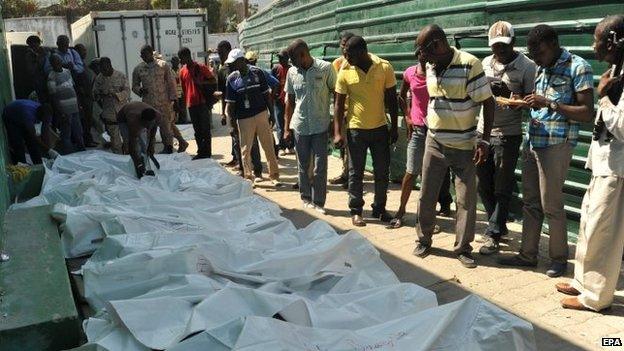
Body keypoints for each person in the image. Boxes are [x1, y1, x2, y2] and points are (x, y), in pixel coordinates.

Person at [498, 25, 595, 278]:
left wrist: (550, 103)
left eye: (539, 53)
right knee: (530, 202)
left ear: (553, 43)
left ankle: (559, 259)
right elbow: (539, 105)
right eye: (532, 54)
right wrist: (522, 102)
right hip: (533, 141)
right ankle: (528, 255)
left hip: (556, 145)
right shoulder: (541, 67)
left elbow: (586, 113)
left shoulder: (578, 66)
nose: (536, 59)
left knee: (551, 204)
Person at [412, 25, 495, 269]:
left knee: (465, 200)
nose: (423, 60)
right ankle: (424, 239)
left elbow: (488, 104)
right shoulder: (430, 63)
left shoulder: (470, 64)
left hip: (464, 145)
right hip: (434, 141)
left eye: (425, 53)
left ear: (438, 45)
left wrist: (484, 140)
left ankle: (463, 248)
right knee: (427, 194)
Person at [557, 15, 624, 311]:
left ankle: (596, 298)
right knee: (588, 225)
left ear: (612, 41)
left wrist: (604, 99)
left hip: (617, 168)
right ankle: (582, 283)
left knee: (603, 234)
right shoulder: (616, 68)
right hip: (603, 163)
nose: (592, 45)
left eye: (596, 39)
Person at [477, 21, 537, 255]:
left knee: (502, 186)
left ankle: (492, 233)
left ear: (513, 42)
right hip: (484, 130)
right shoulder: (485, 63)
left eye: (503, 45)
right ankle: (499, 225)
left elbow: (532, 101)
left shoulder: (527, 66)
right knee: (483, 183)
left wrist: (510, 97)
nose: (499, 50)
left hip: (508, 134)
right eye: (495, 46)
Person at [333, 36, 399, 227]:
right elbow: (338, 105)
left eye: (349, 54)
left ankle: (379, 208)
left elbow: (392, 101)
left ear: (362, 52)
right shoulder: (345, 71)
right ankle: (356, 211)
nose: (345, 57)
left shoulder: (384, 67)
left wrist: (394, 127)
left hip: (380, 129)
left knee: (381, 172)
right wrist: (338, 132)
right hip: (356, 131)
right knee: (356, 173)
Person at [284, 39, 336, 214]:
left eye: (294, 59)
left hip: (321, 126)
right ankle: (306, 198)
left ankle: (319, 202)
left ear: (303, 54)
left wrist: (334, 122)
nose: (292, 64)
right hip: (300, 126)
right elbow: (290, 102)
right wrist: (286, 128)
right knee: (303, 165)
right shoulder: (292, 72)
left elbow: (337, 95)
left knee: (320, 166)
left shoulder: (325, 68)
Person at [225, 49, 281, 186]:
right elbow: (231, 106)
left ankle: (274, 176)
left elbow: (266, 95)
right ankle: (249, 177)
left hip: (261, 114)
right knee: (246, 150)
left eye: (234, 63)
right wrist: (231, 125)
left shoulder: (258, 72)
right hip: (244, 119)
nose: (231, 66)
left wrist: (271, 114)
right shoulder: (231, 79)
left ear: (241, 61)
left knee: (268, 146)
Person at [132, 45, 188, 154]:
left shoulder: (163, 66)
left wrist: (175, 101)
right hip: (148, 105)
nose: (142, 57)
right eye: (141, 55)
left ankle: (168, 148)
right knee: (149, 129)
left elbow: (171, 84)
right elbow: (134, 85)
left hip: (164, 103)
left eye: (144, 55)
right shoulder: (138, 69)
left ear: (150, 53)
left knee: (166, 127)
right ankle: (150, 149)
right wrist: (140, 90)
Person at [178, 47, 217, 159]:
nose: (181, 61)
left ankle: (207, 153)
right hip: (192, 105)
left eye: (181, 58)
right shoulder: (182, 71)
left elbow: (213, 81)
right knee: (197, 131)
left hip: (203, 103)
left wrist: (202, 82)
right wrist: (184, 106)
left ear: (187, 56)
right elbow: (185, 91)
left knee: (205, 130)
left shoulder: (200, 67)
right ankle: (201, 152)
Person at [329, 31, 354, 189]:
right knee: (343, 144)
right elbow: (334, 88)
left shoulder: (359, 61)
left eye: (347, 44)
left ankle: (351, 176)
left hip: (357, 111)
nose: (345, 48)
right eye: (343, 44)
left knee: (354, 145)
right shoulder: (336, 64)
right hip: (342, 110)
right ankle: (346, 173)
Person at [48, 54, 85, 154]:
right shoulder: (51, 76)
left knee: (78, 131)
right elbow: (53, 96)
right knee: (66, 134)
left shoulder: (67, 71)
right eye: (54, 63)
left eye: (58, 62)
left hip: (74, 107)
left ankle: (83, 151)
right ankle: (69, 154)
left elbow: (73, 88)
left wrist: (79, 104)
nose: (57, 64)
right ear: (52, 64)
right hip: (64, 110)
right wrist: (60, 112)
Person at [92, 57, 130, 154]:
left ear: (110, 66)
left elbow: (127, 91)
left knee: (127, 139)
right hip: (109, 113)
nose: (103, 71)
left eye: (105, 69)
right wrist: (100, 95)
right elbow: (94, 94)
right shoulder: (99, 78)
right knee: (115, 141)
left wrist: (116, 95)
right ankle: (119, 159)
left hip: (122, 111)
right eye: (101, 69)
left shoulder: (120, 76)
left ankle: (129, 155)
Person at [2, 100, 58, 164]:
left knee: (32, 144)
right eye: (43, 119)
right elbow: (33, 136)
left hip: (21, 114)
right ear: (40, 115)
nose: (43, 121)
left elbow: (45, 129)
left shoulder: (44, 111)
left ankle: (38, 163)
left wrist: (49, 148)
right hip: (10, 116)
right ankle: (22, 164)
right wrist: (48, 150)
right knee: (18, 143)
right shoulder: (28, 114)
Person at [117, 102, 160, 179]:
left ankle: (145, 165)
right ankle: (135, 165)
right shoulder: (134, 121)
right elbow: (132, 143)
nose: (148, 127)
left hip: (136, 111)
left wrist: (151, 146)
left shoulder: (158, 116)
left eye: (151, 124)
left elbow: (152, 133)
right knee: (128, 142)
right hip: (123, 118)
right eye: (147, 125)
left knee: (144, 144)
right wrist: (138, 164)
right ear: (143, 121)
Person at [217, 40, 238, 167]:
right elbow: (223, 94)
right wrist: (223, 113)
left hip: (242, 107)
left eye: (222, 53)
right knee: (233, 133)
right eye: (219, 54)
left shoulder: (239, 66)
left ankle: (247, 160)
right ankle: (236, 157)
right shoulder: (221, 71)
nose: (220, 56)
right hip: (231, 108)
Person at [73, 43, 98, 147]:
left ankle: (89, 138)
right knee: (85, 120)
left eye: (85, 50)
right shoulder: (77, 66)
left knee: (88, 119)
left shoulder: (83, 64)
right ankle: (86, 140)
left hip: (88, 97)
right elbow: (78, 84)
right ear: (77, 52)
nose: (85, 52)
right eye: (82, 50)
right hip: (83, 98)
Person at [272, 49, 294, 156]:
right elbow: (271, 83)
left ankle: (290, 146)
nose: (280, 60)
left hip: (289, 102)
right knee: (280, 125)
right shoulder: (276, 69)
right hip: (279, 102)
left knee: (290, 124)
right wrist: (274, 96)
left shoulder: (291, 69)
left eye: (282, 58)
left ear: (287, 59)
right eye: (279, 58)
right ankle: (281, 146)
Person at [24, 35, 49, 103]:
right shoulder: (29, 55)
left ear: (39, 44)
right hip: (39, 83)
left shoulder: (46, 52)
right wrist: (36, 60)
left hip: (50, 80)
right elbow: (31, 71)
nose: (33, 48)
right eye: (31, 46)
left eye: (35, 45)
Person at [171, 56, 189, 124]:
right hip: (173, 94)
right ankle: (174, 125)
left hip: (181, 93)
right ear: (172, 62)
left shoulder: (182, 71)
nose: (175, 63)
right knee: (174, 111)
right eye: (174, 61)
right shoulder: (169, 71)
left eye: (177, 61)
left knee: (183, 110)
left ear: (178, 63)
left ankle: (183, 123)